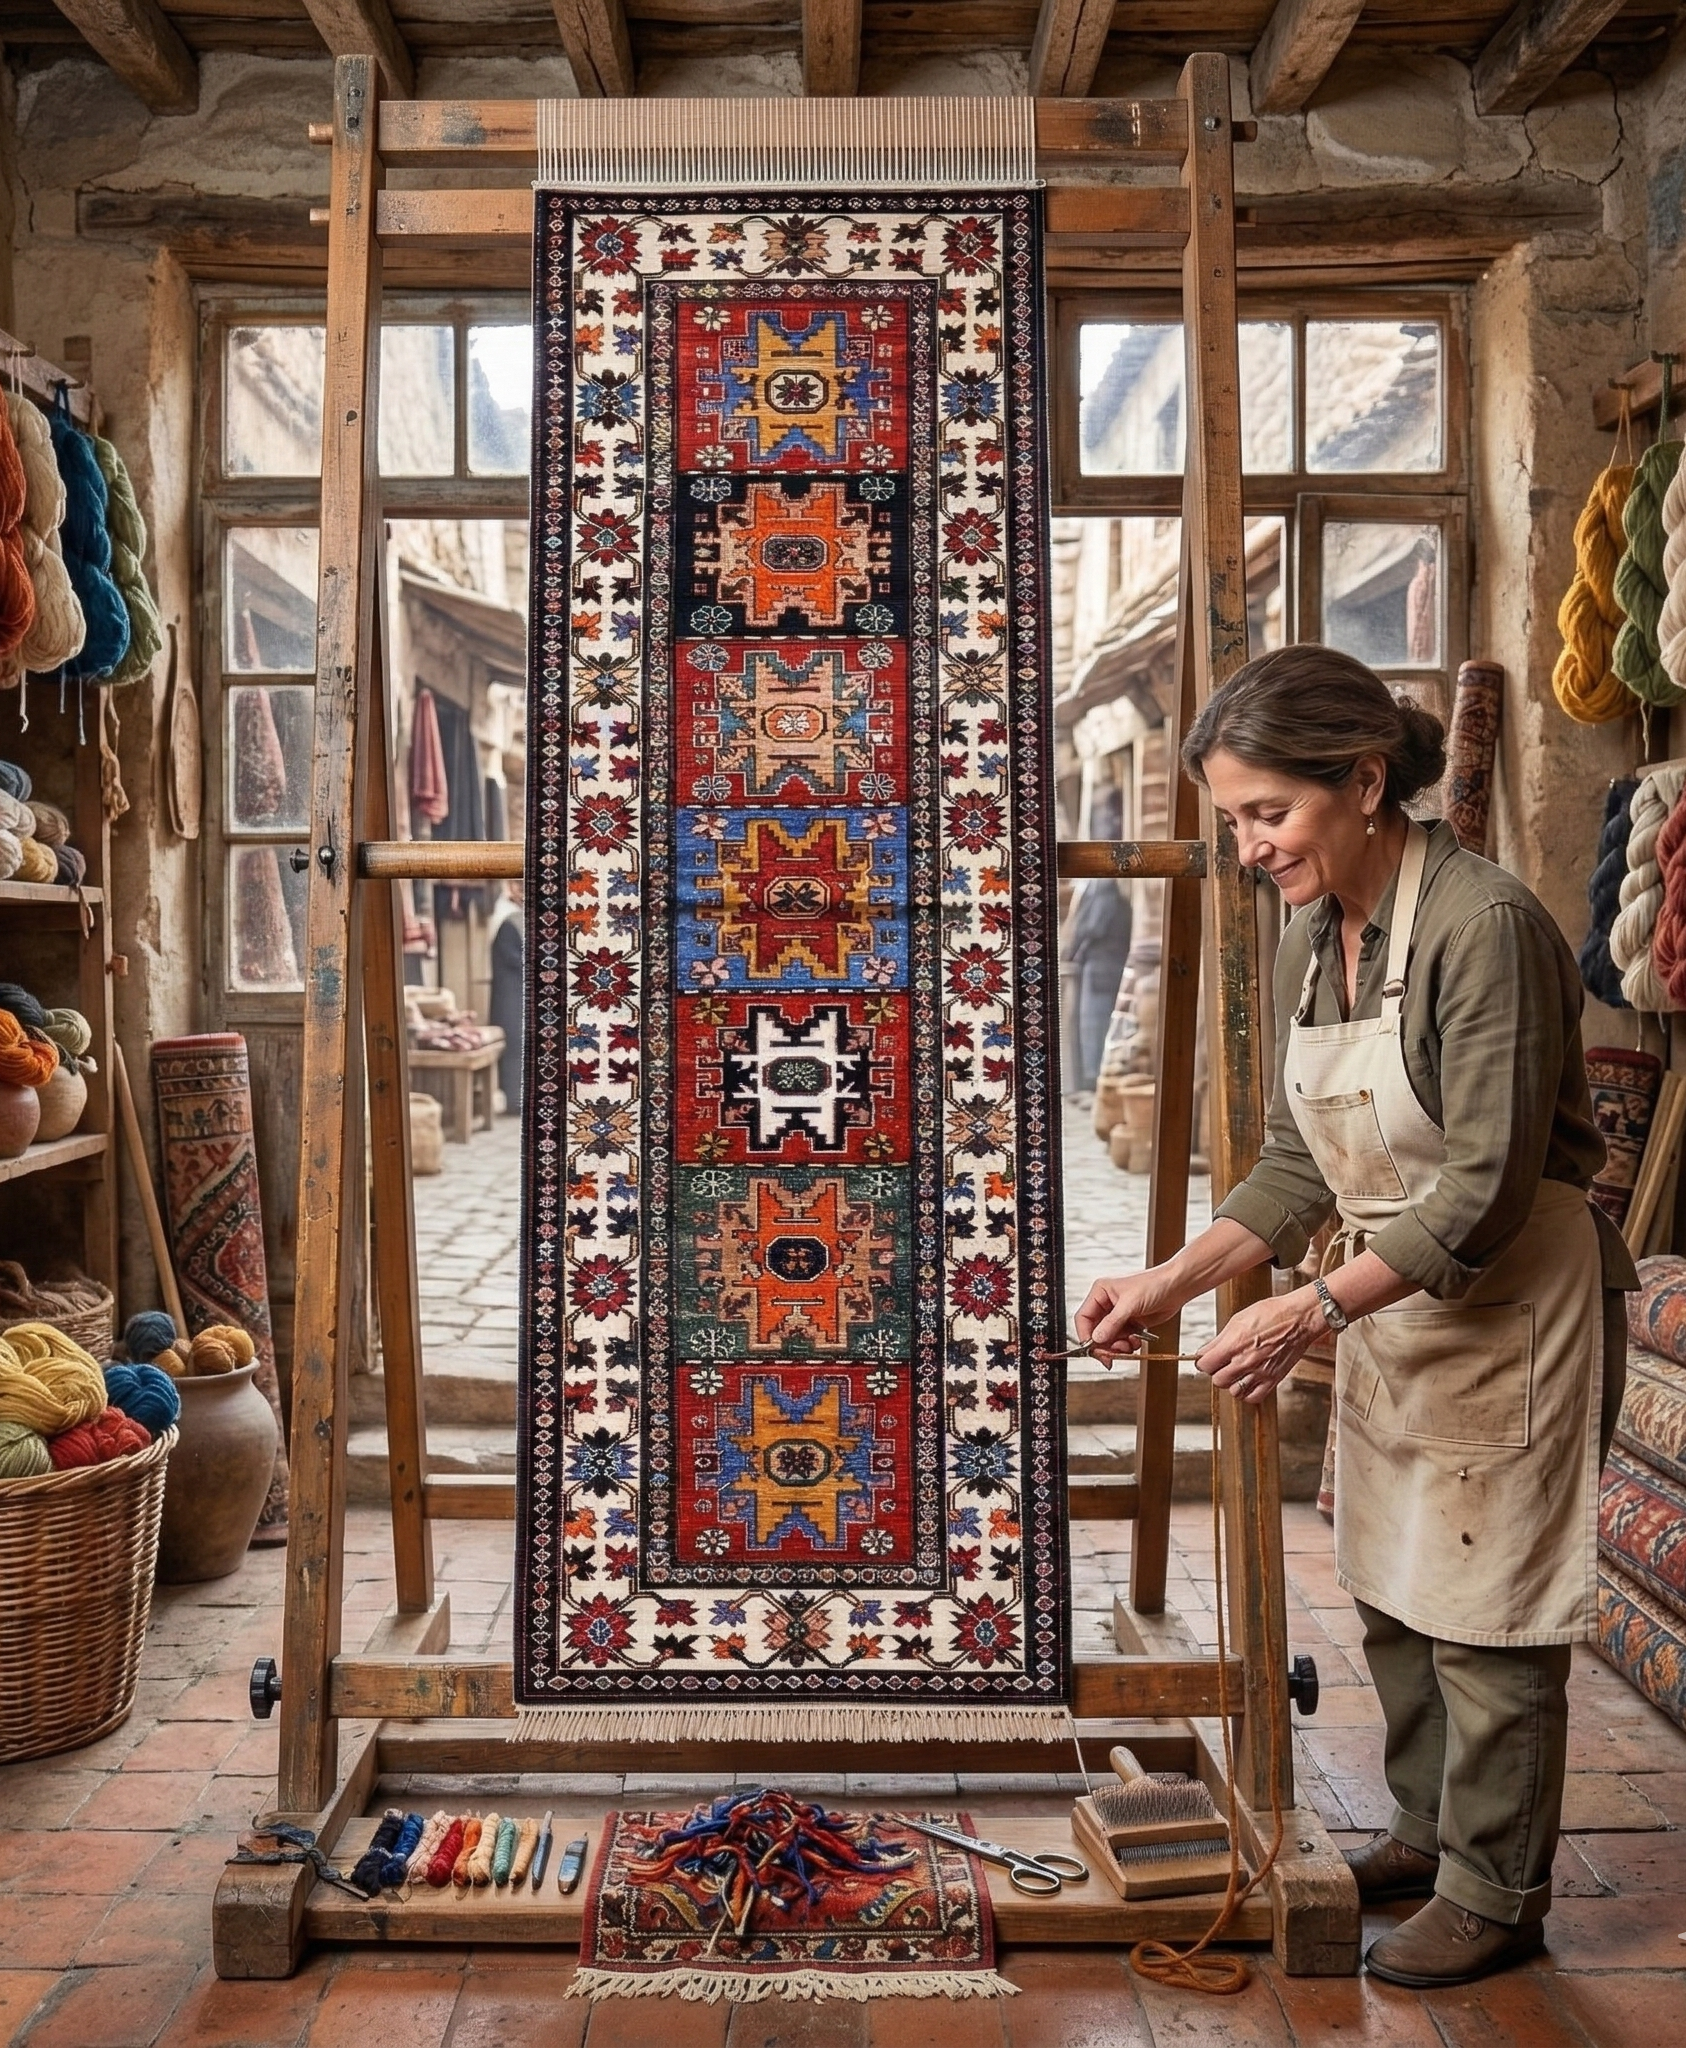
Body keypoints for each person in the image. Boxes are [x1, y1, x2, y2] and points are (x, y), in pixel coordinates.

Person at [1073, 646, 1634, 1988]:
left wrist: (1304, 1312)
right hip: (1391, 1304)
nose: (1252, 845)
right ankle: (1430, 1829)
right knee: (1390, 1586)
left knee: (1487, 1613)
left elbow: (1488, 1190)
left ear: (1365, 783)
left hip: (1514, 1305)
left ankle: (1497, 1893)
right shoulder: (1309, 934)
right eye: (1232, 821)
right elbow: (1292, 1162)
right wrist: (1174, 1278)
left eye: (1269, 812)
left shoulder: (1479, 924)